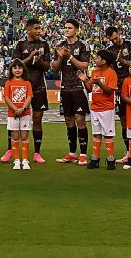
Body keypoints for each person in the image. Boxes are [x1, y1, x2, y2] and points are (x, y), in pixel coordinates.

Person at [9, 18, 50, 164]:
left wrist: (39, 60)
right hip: (20, 88)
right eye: (37, 28)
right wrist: (30, 57)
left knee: (37, 119)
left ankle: (37, 152)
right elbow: (15, 65)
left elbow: (47, 67)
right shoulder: (20, 44)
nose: (39, 31)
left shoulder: (44, 44)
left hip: (39, 87)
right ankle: (10, 149)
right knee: (15, 118)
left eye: (40, 28)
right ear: (29, 30)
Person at [53, 18, 91, 165]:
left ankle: (83, 154)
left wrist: (70, 57)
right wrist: (60, 57)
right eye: (65, 27)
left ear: (76, 30)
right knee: (68, 120)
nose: (66, 30)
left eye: (69, 27)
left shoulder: (82, 45)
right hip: (65, 88)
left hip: (78, 87)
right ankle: (72, 153)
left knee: (80, 119)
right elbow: (55, 67)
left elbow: (84, 65)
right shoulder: (61, 46)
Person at [104, 25, 131, 163]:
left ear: (119, 33)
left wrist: (122, 62)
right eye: (111, 40)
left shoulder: (130, 44)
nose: (115, 41)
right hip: (120, 88)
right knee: (124, 121)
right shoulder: (109, 50)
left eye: (116, 38)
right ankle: (128, 153)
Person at [84, 49, 119, 170]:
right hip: (95, 107)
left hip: (106, 108)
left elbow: (110, 91)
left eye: (98, 58)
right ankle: (95, 158)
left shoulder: (111, 73)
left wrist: (99, 83)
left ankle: (110, 159)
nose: (95, 59)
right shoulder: (95, 72)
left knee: (108, 135)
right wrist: (85, 80)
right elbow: (89, 89)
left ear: (104, 61)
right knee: (96, 134)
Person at [3, 59, 34, 170]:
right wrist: (16, 109)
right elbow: (6, 98)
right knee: (15, 136)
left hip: (25, 114)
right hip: (13, 114)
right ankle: (16, 161)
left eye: (20, 68)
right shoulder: (8, 83)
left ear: (23, 69)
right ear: (11, 70)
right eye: (15, 68)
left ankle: (25, 160)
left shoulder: (27, 83)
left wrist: (23, 108)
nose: (17, 70)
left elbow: (29, 97)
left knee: (24, 136)